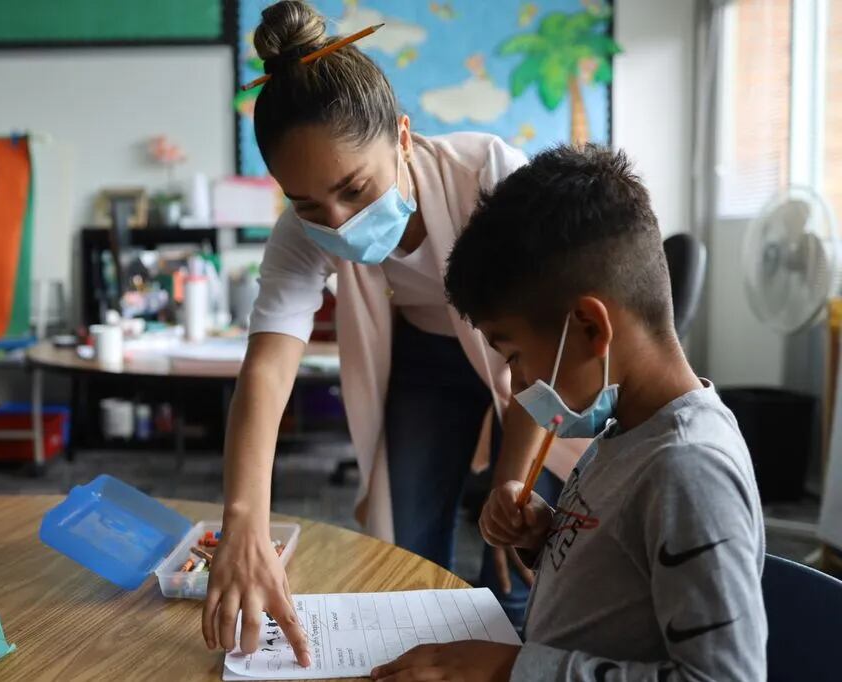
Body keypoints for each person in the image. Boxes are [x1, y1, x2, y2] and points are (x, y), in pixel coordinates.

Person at [202, 0, 582, 663]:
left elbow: (546, 352)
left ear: (403, 136)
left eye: (354, 189)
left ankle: (523, 654)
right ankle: (418, 648)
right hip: (424, 357)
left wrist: (513, 480)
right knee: (408, 532)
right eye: (309, 204)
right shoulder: (301, 232)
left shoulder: (491, 178)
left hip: (526, 357)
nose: (340, 221)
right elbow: (266, 368)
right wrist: (243, 521)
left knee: (521, 533)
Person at [372, 145, 767, 681]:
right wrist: (543, 537)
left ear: (589, 326)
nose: (516, 384)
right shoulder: (626, 429)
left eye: (513, 356)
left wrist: (510, 668)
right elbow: (622, 587)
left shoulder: (689, 469)